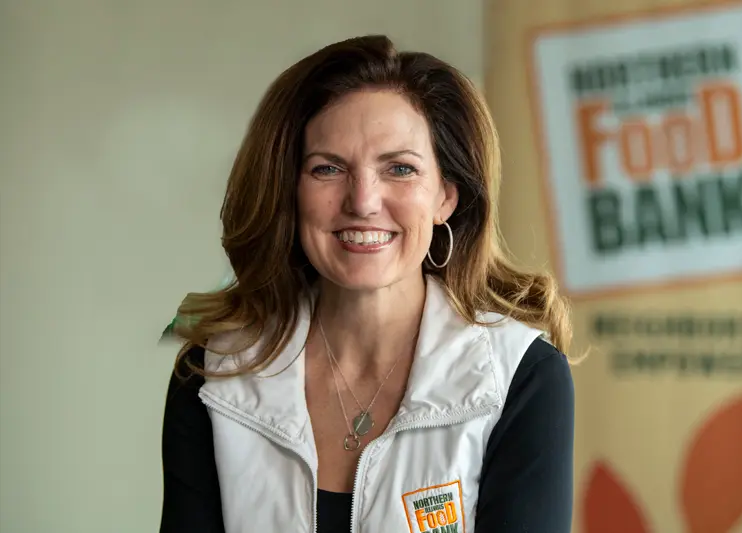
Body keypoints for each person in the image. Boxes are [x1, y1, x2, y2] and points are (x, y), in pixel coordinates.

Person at [160, 35, 575, 533]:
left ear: (445, 196)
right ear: (290, 191)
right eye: (328, 168)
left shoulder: (521, 378)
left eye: (400, 168)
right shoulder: (213, 373)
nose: (363, 201)